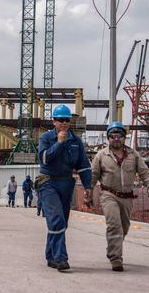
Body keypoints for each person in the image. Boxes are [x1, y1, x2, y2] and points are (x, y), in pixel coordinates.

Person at [88, 121, 149, 272]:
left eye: (119, 136)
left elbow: (145, 172)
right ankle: (115, 258)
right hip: (108, 194)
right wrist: (88, 194)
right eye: (112, 136)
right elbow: (92, 177)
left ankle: (112, 248)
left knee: (124, 227)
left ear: (124, 137)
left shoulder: (133, 155)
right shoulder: (101, 155)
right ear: (108, 138)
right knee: (114, 224)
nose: (116, 139)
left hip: (127, 197)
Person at [38, 104, 92, 272]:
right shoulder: (46, 138)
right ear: (53, 121)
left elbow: (83, 165)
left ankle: (50, 255)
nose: (64, 123)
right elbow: (45, 159)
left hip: (66, 183)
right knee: (57, 220)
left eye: (67, 120)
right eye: (60, 120)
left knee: (61, 223)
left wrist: (88, 187)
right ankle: (61, 258)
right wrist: (59, 143)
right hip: (48, 182)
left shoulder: (76, 141)